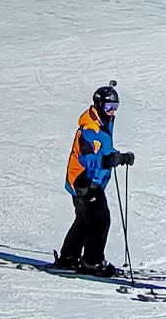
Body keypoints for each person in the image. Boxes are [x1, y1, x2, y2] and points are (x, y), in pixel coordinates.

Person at [56, 81, 135, 276]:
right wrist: (107, 161)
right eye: (109, 107)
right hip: (83, 181)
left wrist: (120, 157)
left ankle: (68, 257)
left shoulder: (103, 124)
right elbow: (87, 157)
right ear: (99, 105)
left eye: (115, 107)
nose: (112, 111)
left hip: (93, 181)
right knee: (100, 219)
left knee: (85, 219)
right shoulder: (89, 129)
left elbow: (105, 150)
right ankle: (92, 262)